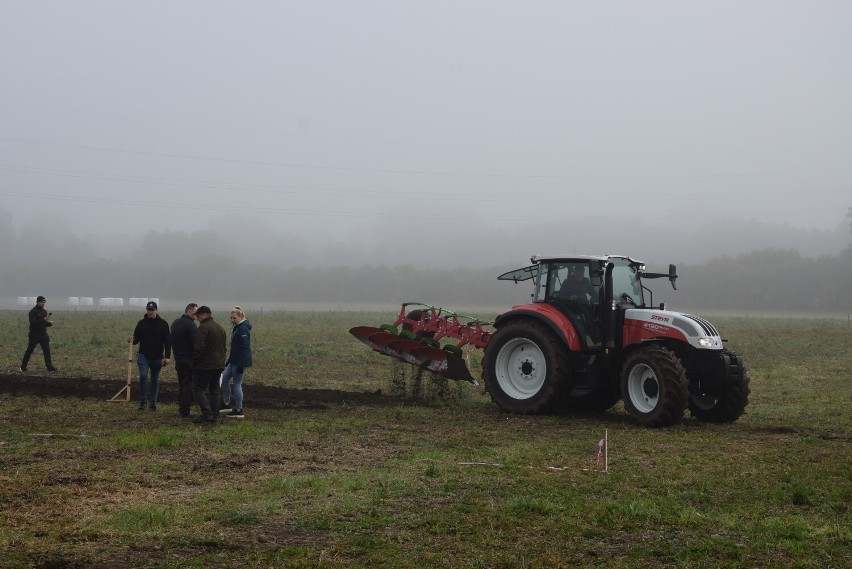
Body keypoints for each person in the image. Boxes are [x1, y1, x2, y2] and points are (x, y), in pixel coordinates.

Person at [128, 301, 171, 411]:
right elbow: (136, 339)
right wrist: (131, 340)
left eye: (152, 310)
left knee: (155, 379)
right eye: (149, 310)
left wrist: (167, 356)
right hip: (143, 355)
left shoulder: (163, 324)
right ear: (146, 310)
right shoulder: (141, 323)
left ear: (156, 310)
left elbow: (167, 341)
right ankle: (143, 400)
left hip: (157, 357)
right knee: (143, 376)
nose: (150, 312)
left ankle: (153, 403)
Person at [191, 305, 227, 424]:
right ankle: (215, 415)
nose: (197, 319)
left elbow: (198, 348)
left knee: (198, 389)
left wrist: (194, 363)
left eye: (198, 316)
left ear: (203, 315)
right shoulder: (220, 328)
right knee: (214, 390)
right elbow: (224, 348)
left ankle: (207, 414)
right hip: (218, 365)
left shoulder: (203, 328)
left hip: (205, 366)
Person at [221, 306, 253, 419]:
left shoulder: (243, 329)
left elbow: (244, 347)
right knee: (224, 379)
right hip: (234, 360)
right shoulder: (237, 327)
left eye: (234, 318)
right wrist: (229, 360)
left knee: (237, 384)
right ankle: (226, 404)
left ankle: (239, 410)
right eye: (231, 318)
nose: (232, 320)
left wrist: (241, 364)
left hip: (239, 361)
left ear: (241, 316)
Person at [170, 303, 198, 419]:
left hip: (178, 359)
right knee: (188, 384)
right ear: (189, 312)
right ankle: (185, 410)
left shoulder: (175, 323)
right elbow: (194, 343)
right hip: (189, 359)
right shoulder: (191, 326)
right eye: (195, 312)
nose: (197, 315)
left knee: (182, 384)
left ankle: (181, 407)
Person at [20, 295, 57, 373]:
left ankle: (49, 367)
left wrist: (49, 323)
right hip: (34, 335)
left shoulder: (44, 311)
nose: (43, 304)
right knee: (29, 351)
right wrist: (43, 319)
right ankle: (23, 367)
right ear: (37, 302)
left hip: (43, 335)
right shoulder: (32, 312)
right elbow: (33, 323)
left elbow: (44, 323)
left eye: (44, 302)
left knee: (47, 350)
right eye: (41, 302)